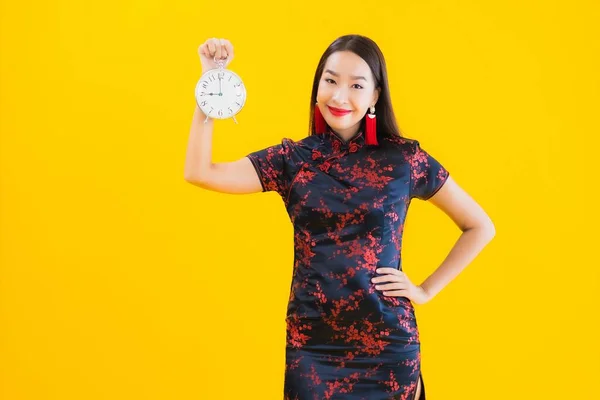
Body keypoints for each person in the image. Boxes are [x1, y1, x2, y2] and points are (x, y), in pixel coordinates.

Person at [185, 35, 495, 400]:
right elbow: (199, 171)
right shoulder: (294, 161)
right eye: (330, 80)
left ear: (376, 94)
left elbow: (479, 227)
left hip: (389, 348)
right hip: (312, 349)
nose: (340, 96)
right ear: (317, 84)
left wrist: (425, 290)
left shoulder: (405, 160)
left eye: (356, 85)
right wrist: (210, 89)